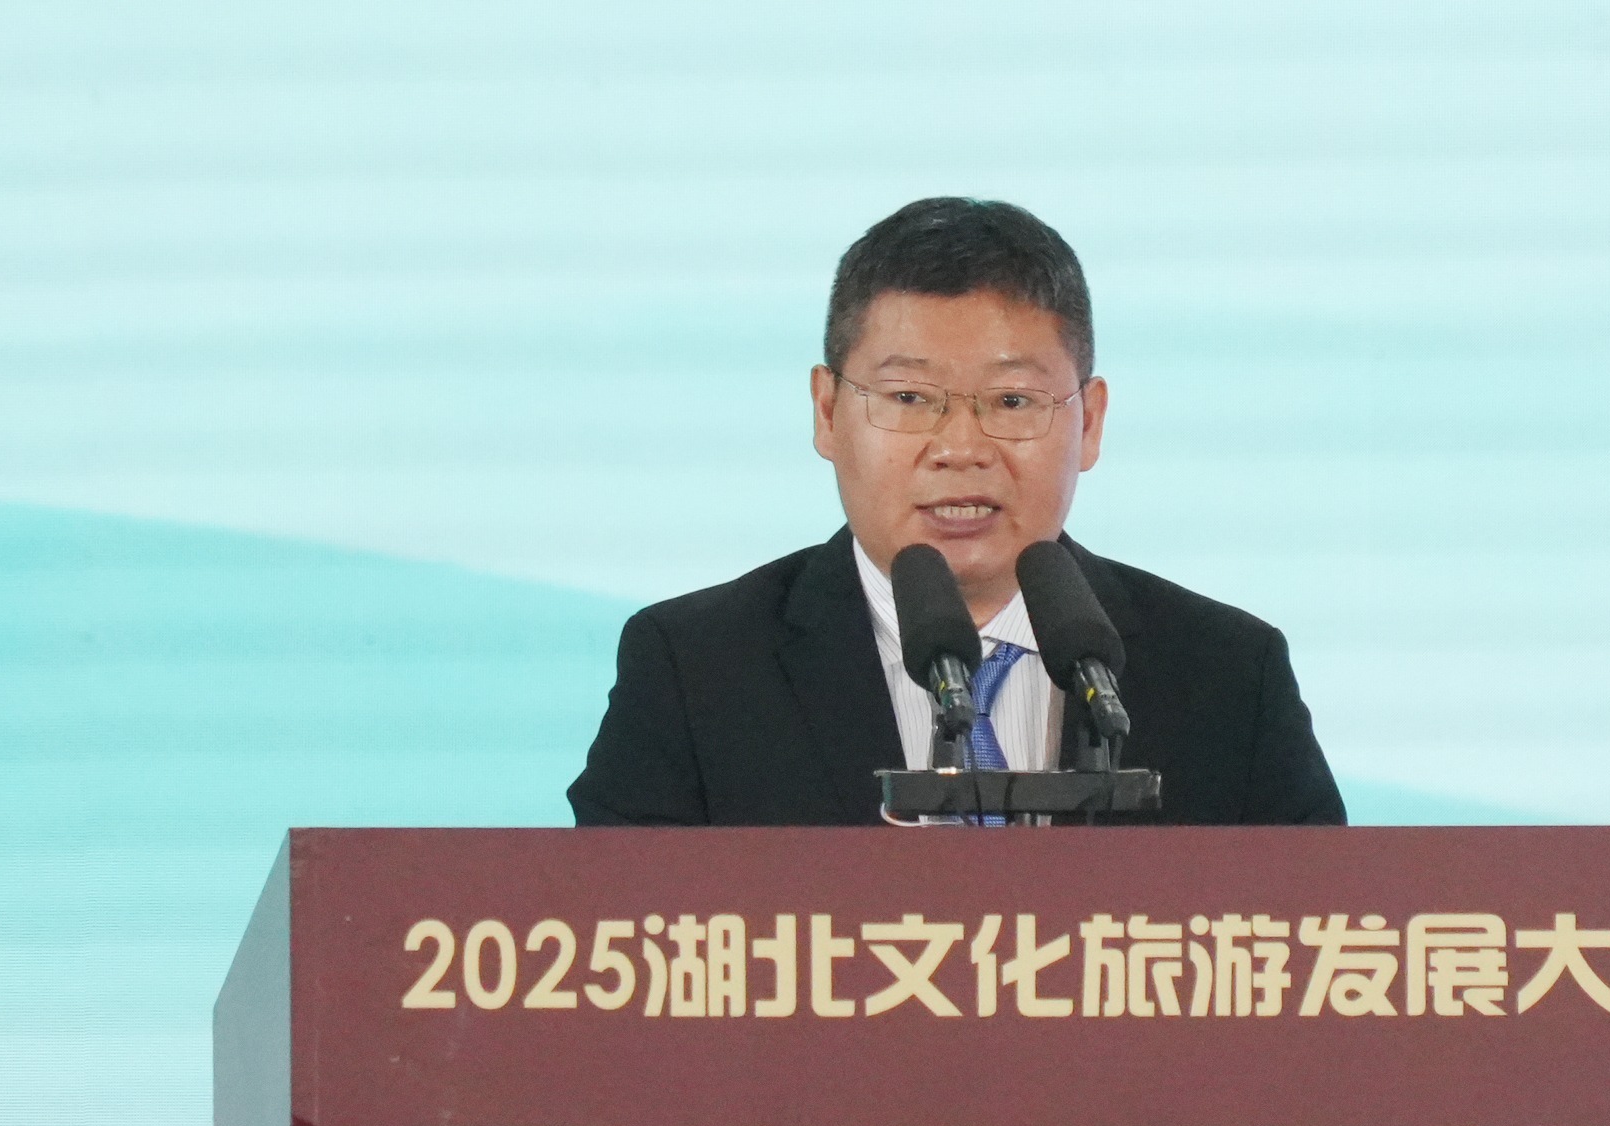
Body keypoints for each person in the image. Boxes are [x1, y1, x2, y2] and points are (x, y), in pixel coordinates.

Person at [568, 197, 1344, 827]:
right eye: (909, 398)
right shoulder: (695, 673)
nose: (960, 448)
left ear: (1091, 423)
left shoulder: (1228, 678)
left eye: (1012, 401)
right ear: (827, 412)